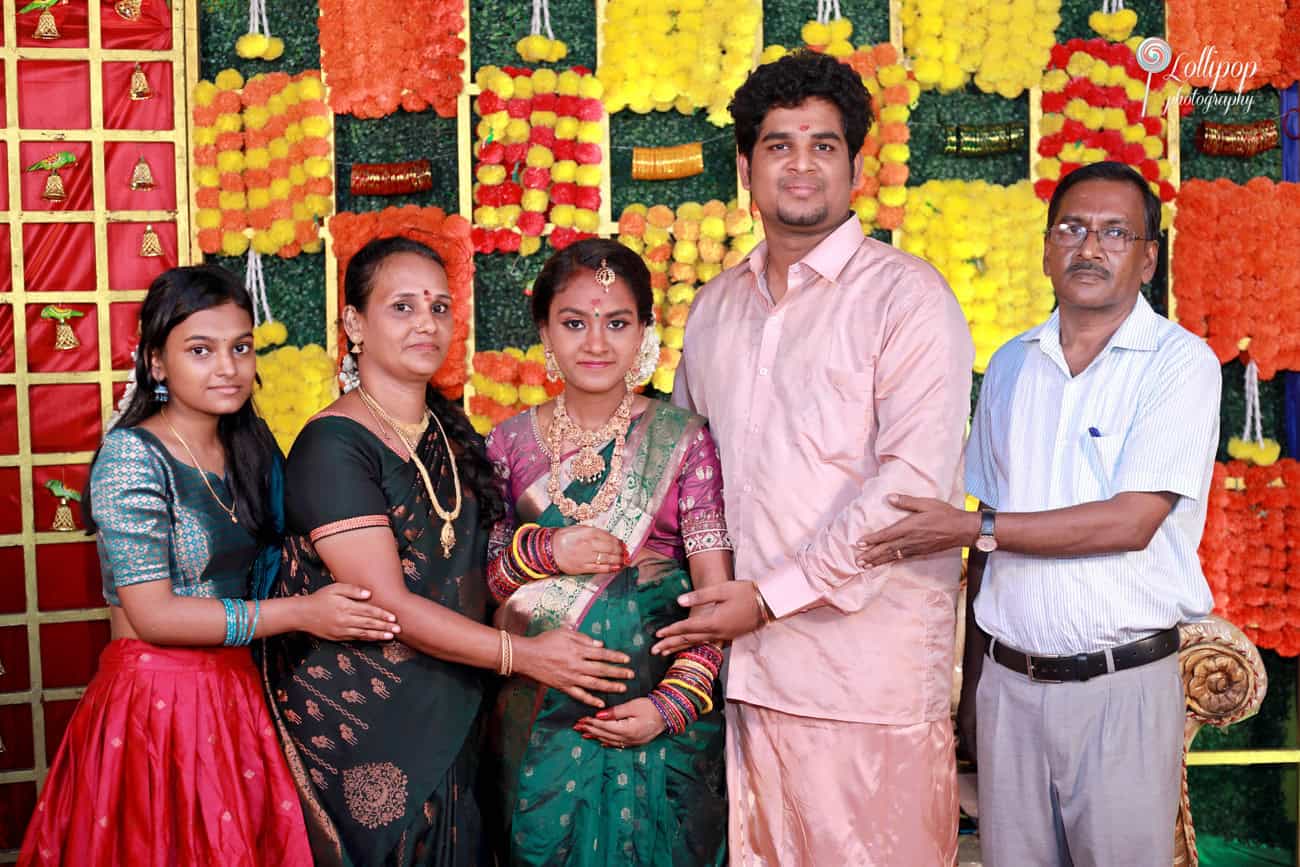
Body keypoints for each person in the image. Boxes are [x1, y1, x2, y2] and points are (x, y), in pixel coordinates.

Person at [856, 160, 1221, 866]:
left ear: (1148, 258)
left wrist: (970, 526)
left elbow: (1130, 521)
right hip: (1009, 694)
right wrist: (971, 697)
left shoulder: (1179, 363)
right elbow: (986, 539)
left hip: (1120, 687)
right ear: (1047, 248)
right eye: (1073, 228)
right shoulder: (1011, 365)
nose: (1090, 247)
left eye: (1116, 232)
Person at [658, 51, 974, 865]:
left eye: (823, 146)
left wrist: (769, 598)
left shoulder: (907, 298)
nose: (801, 165)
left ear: (856, 167)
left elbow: (910, 490)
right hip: (746, 675)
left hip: (863, 679)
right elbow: (690, 478)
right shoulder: (717, 309)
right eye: (779, 145)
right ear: (745, 166)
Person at [261, 236, 634, 867]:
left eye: (438, 306)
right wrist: (525, 655)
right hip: (368, 720)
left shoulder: (447, 431)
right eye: (401, 307)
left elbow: (478, 555)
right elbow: (389, 606)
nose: (426, 323)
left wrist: (550, 550)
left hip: (456, 698)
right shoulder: (332, 446)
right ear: (354, 323)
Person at [21, 265, 402, 866]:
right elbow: (153, 615)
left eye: (240, 347)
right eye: (200, 350)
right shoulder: (131, 458)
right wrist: (303, 612)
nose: (227, 367)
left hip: (239, 694)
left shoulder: (250, 450)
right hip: (156, 705)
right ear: (155, 363)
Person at [483, 238, 731, 866]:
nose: (595, 343)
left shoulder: (685, 440)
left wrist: (670, 706)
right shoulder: (509, 444)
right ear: (545, 331)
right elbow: (488, 579)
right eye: (574, 323)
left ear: (645, 331)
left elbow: (716, 597)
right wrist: (546, 548)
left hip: (661, 722)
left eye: (617, 323)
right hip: (540, 721)